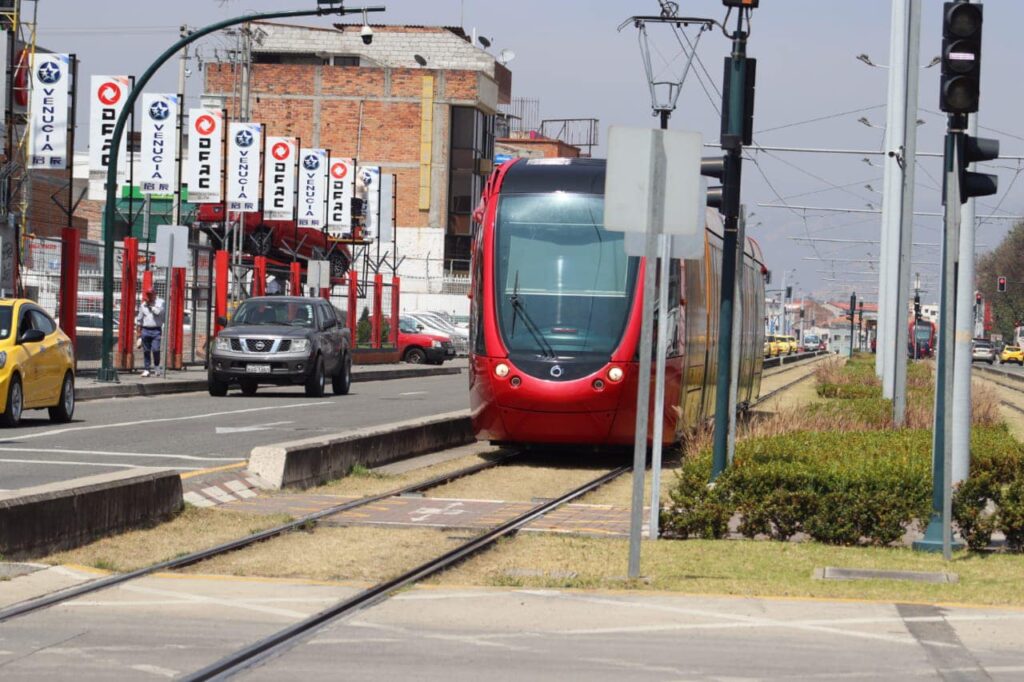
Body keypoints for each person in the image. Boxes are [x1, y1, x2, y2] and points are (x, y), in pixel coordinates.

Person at [136, 287, 165, 377]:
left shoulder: (160, 303)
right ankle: (147, 369)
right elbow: (139, 319)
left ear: (155, 295)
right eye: (148, 295)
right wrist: (138, 333)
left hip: (156, 329)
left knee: (156, 349)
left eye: (151, 295)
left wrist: (150, 306)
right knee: (146, 350)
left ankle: (156, 367)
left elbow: (158, 313)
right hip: (146, 329)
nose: (149, 297)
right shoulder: (143, 305)